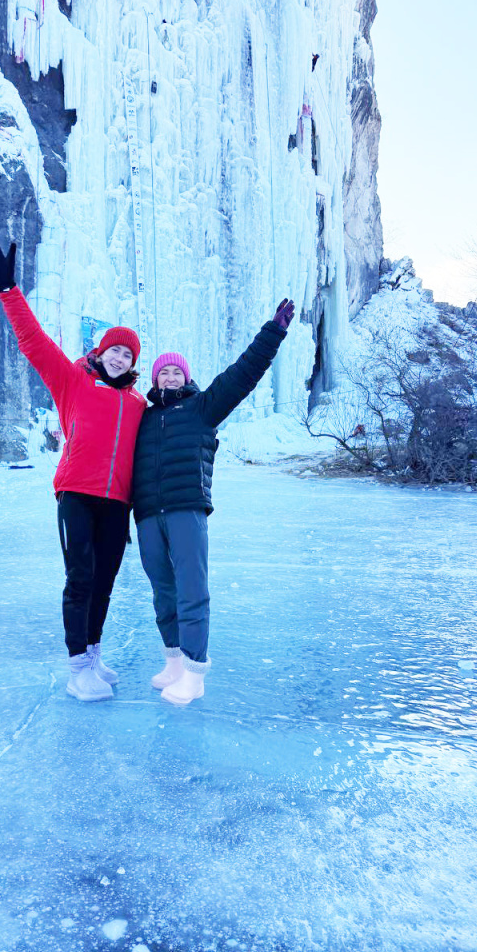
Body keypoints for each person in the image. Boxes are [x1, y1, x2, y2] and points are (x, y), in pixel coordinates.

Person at [0, 241, 146, 701]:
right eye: (114, 351)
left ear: (134, 364)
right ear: (102, 350)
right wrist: (7, 289)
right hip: (76, 493)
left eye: (127, 355)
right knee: (81, 578)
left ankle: (93, 655)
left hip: (117, 502)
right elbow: (33, 343)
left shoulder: (137, 402)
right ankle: (77, 669)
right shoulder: (73, 380)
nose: (118, 359)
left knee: (106, 581)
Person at [131, 298, 295, 705]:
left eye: (176, 371)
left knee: (191, 588)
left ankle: (193, 671)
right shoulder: (143, 416)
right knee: (161, 590)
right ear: (154, 379)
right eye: (163, 372)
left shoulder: (202, 407)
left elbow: (242, 376)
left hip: (187, 507)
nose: (169, 377)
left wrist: (271, 334)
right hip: (149, 513)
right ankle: (172, 662)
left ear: (185, 377)